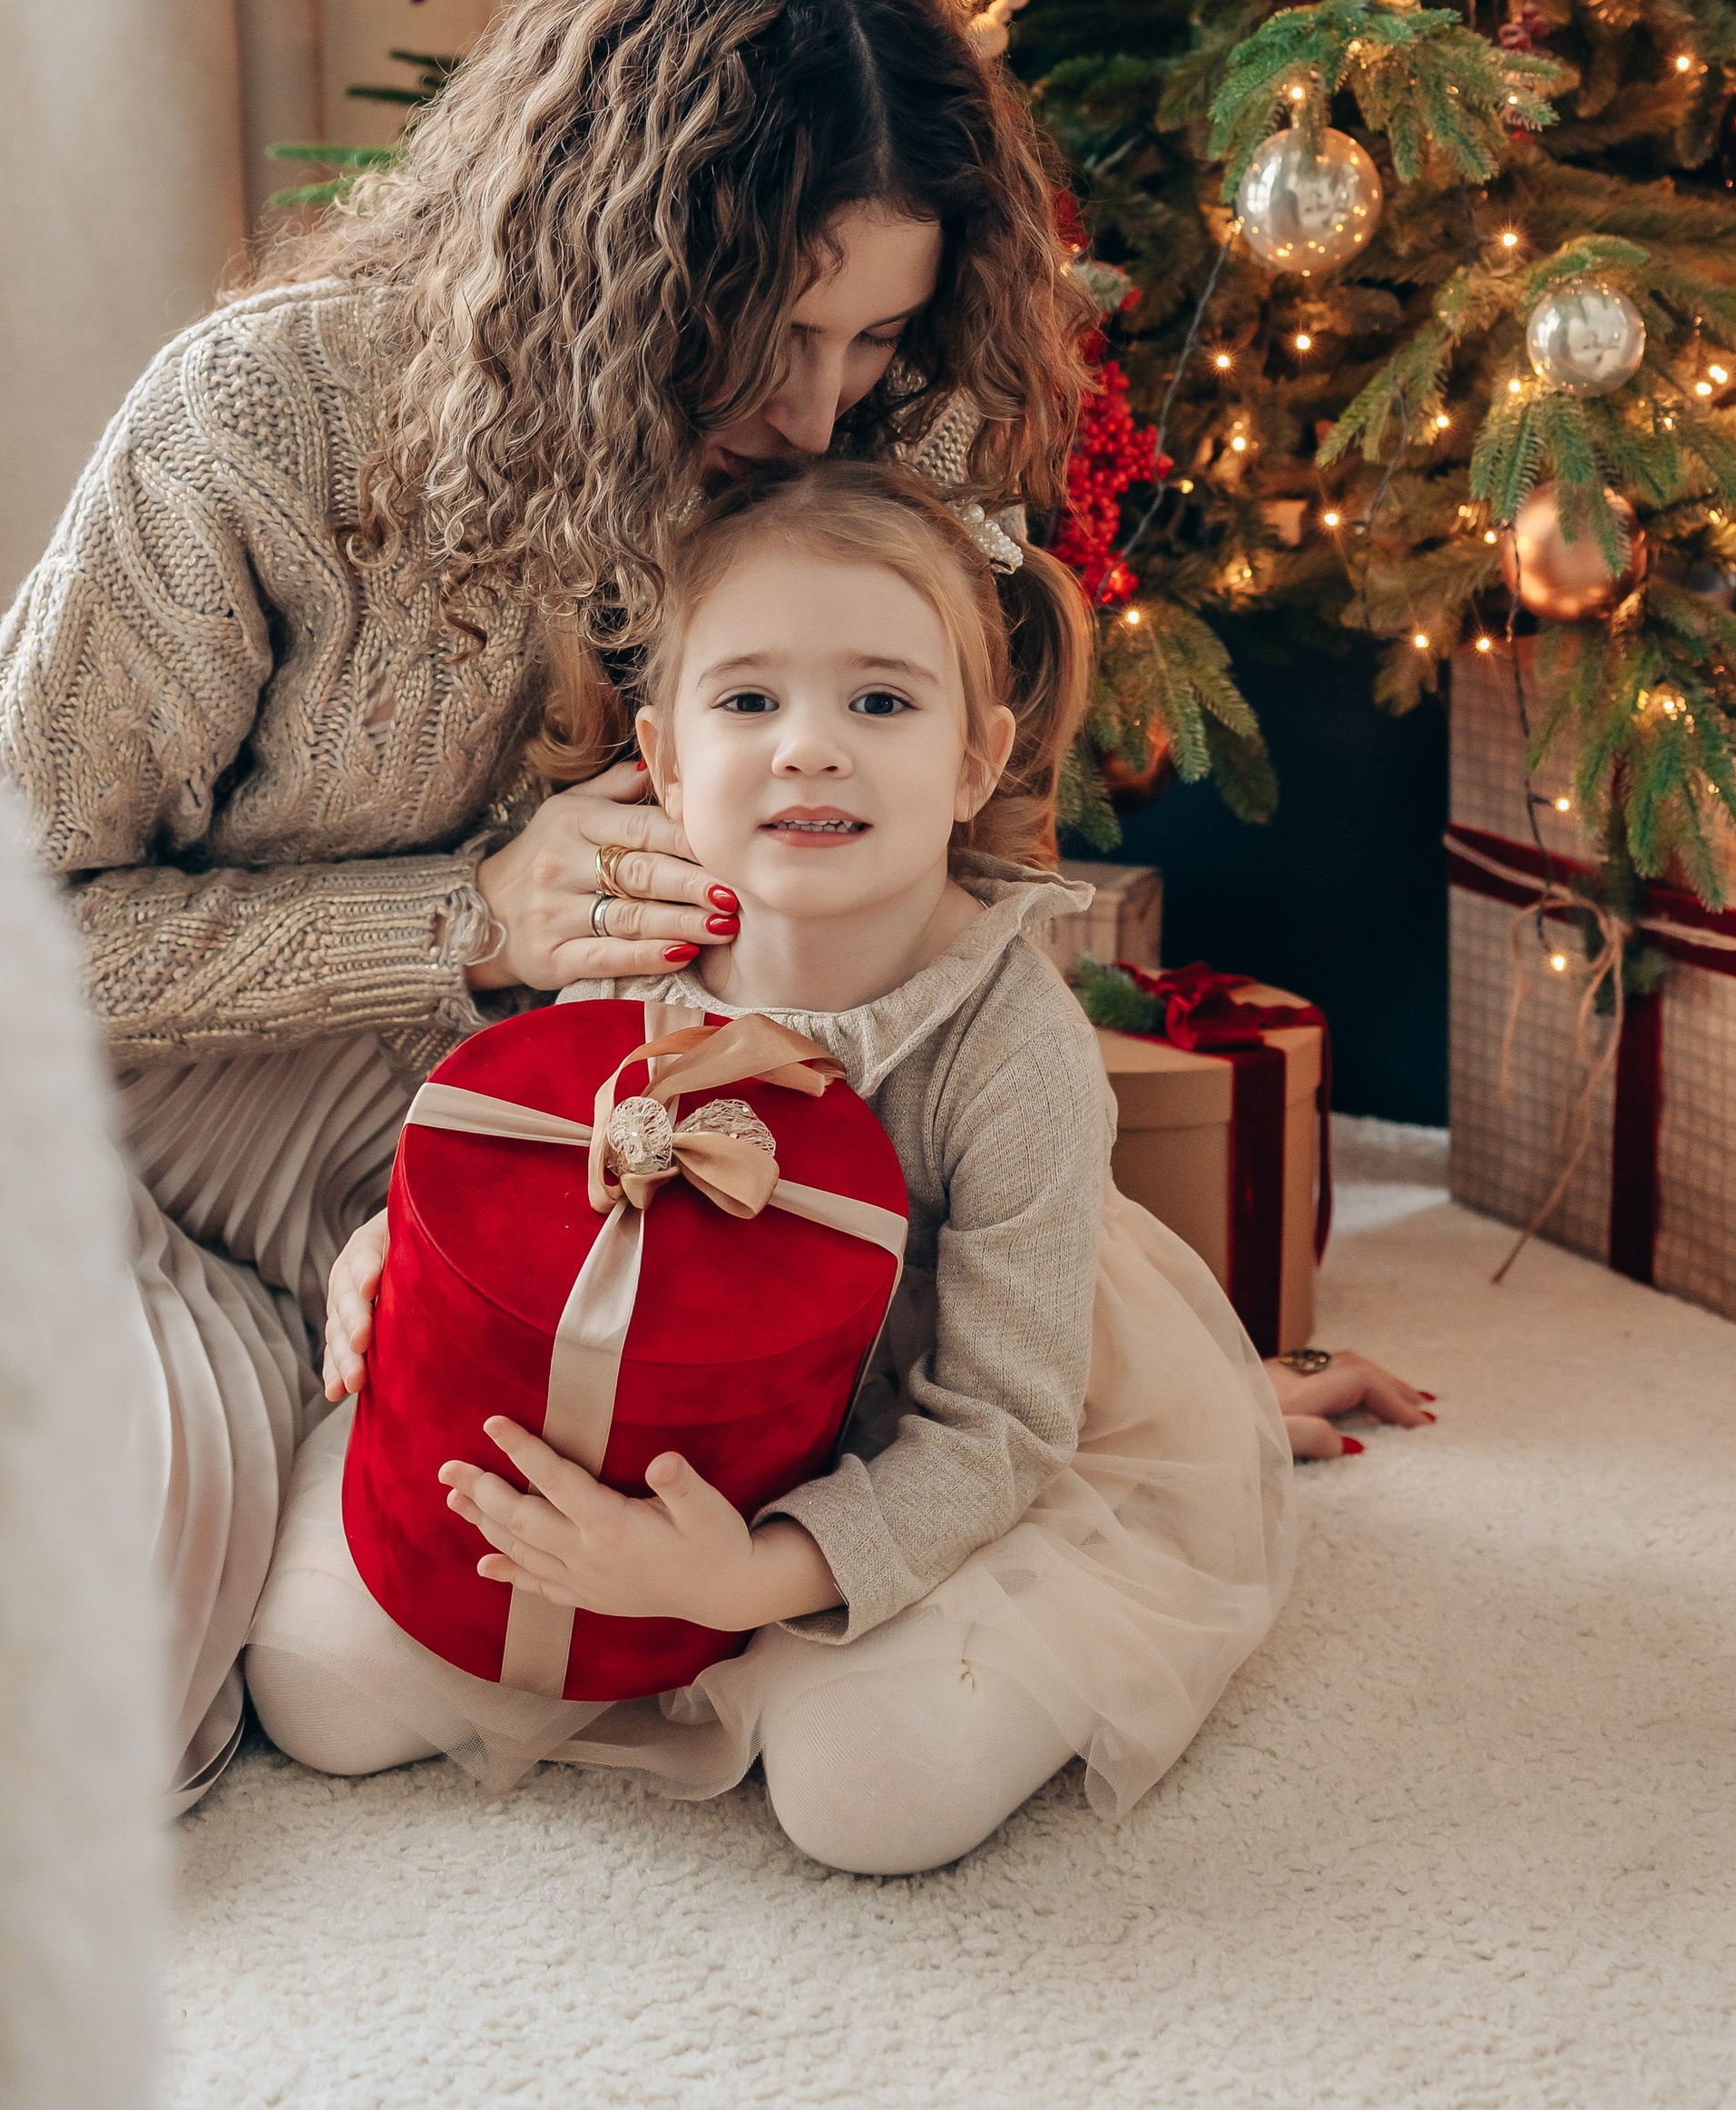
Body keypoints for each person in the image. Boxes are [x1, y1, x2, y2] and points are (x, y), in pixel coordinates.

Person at [0, 0, 1414, 1812]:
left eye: (869, 339)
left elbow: (928, 913)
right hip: (169, 1148)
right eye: (770, 334)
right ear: (613, 269)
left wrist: (1129, 1353)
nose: (813, 409)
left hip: (592, 1196)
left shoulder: (837, 450)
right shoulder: (258, 427)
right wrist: (459, 919)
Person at [248, 462, 1427, 1871]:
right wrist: (394, 1253)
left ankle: (1213, 1429)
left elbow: (1000, 1420)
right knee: (315, 1691)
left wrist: (750, 1574)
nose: (809, 748)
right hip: (656, 1425)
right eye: (749, 702)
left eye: (880, 701)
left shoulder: (1012, 1048)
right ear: (669, 761)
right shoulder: (640, 949)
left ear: (976, 760)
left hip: (929, 1439)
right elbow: (520, 1176)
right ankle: (627, 1584)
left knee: (868, 1798)